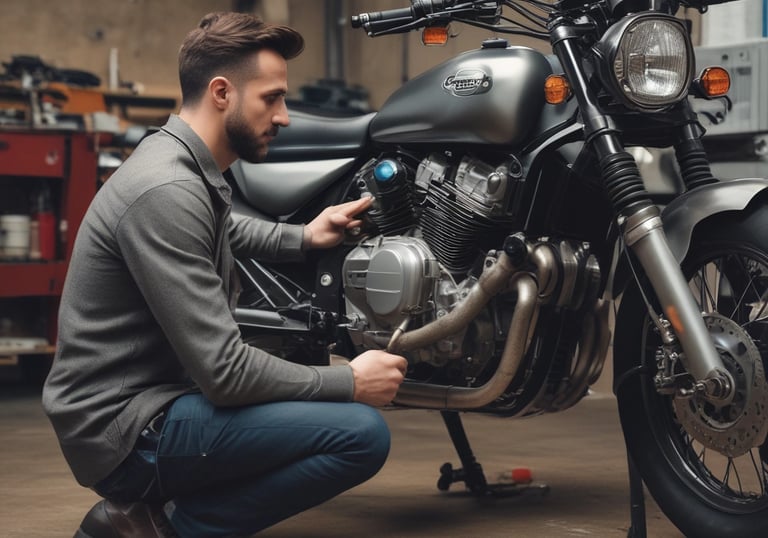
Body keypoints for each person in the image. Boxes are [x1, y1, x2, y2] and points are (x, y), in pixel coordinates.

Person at [42, 11, 408, 538]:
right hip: (124, 429)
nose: (283, 116)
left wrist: (304, 236)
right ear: (221, 93)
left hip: (147, 402)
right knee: (359, 433)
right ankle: (162, 527)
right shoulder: (165, 190)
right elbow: (227, 374)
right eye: (271, 98)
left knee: (304, 377)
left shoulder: (176, 161)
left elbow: (222, 227)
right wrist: (349, 381)